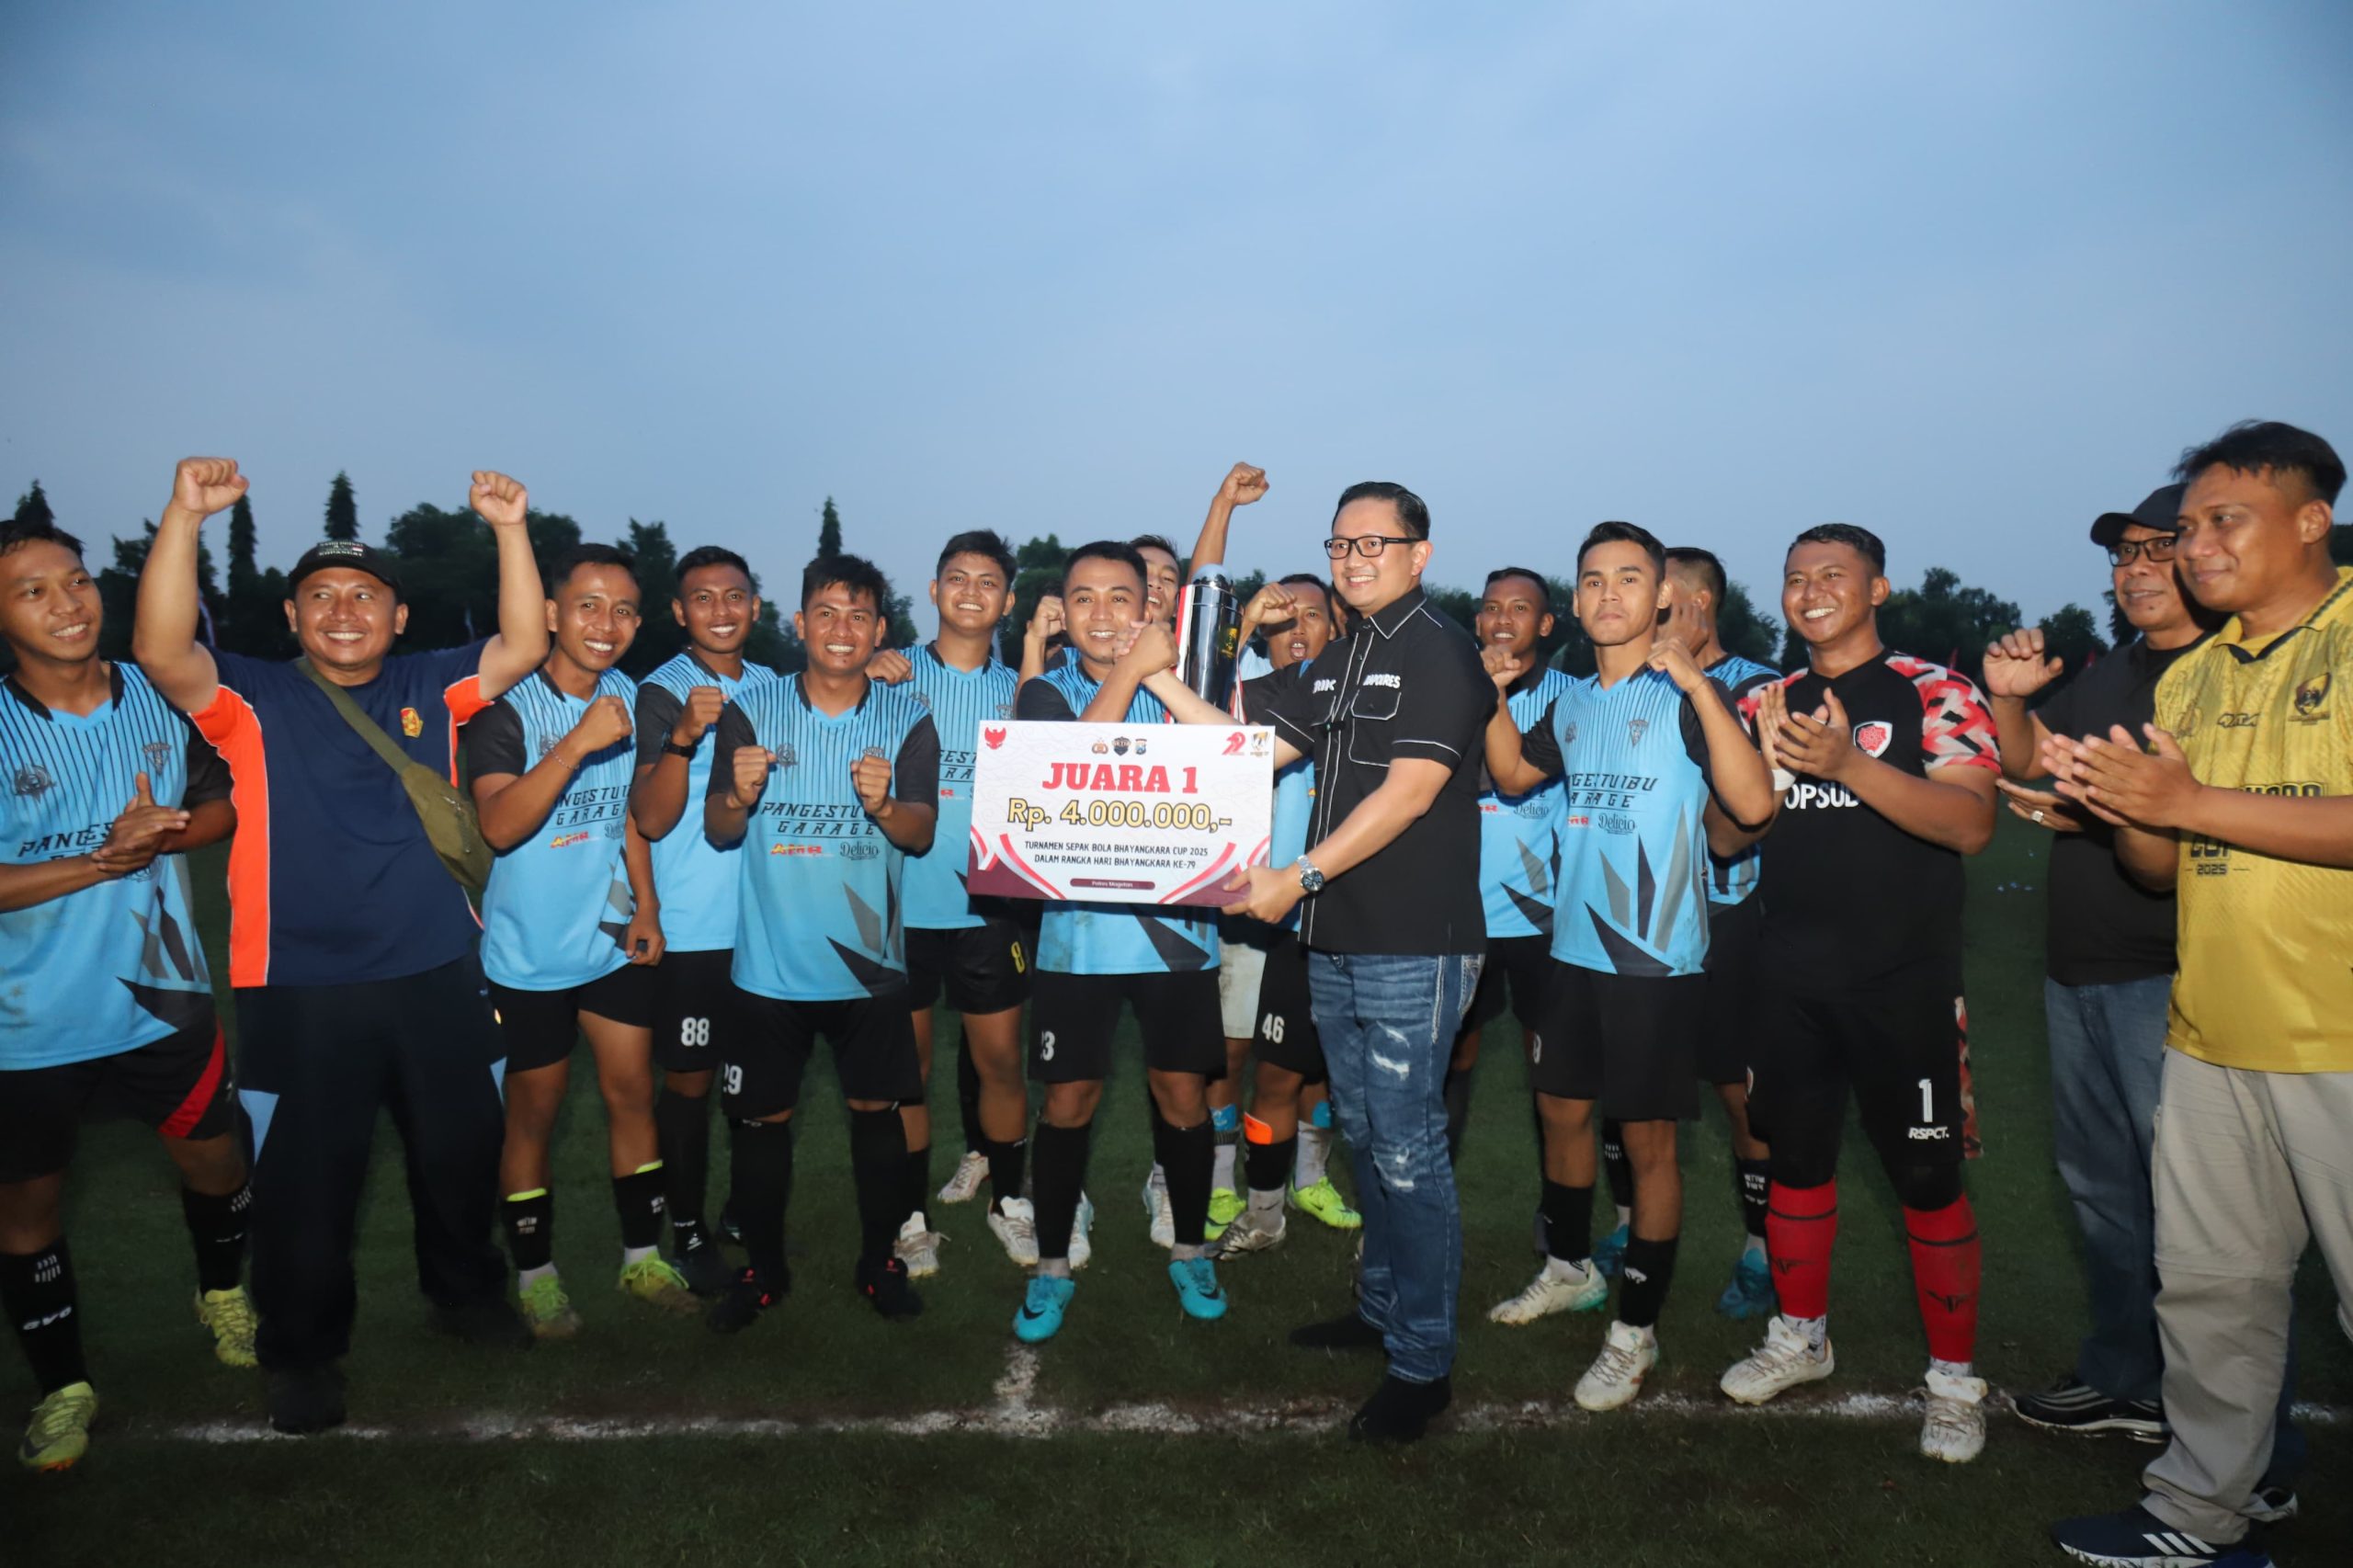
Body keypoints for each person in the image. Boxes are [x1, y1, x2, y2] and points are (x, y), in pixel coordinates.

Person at [133, 459, 549, 1435]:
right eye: (321, 595)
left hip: (437, 968)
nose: (343, 610)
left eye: (365, 594)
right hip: (297, 982)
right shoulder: (248, 696)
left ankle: (466, 1294)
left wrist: (509, 529)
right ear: (292, 616)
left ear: (398, 616)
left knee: (460, 1154)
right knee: (305, 1184)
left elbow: (526, 641)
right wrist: (185, 515)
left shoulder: (430, 681)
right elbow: (160, 648)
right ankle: (303, 1350)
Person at [2048, 421, 2351, 1568]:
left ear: (2311, 519)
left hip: (2339, 1037)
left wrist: (2184, 804)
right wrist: (2125, 805)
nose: (2195, 546)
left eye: (2225, 520)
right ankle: (2203, 1506)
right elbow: (2160, 868)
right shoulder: (2197, 672)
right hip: (2211, 1030)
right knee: (2213, 1291)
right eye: (2187, 528)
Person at [1143, 482, 1493, 1444]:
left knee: (1408, 1151)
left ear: (1419, 554)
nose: (1352, 559)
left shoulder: (1439, 649)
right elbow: (1247, 750)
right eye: (1341, 544)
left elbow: (1411, 792)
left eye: (1373, 543)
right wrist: (1159, 679)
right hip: (1336, 937)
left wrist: (1296, 877)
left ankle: (1423, 1364)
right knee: (1370, 1137)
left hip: (1414, 942)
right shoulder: (1343, 654)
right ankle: (1379, 1308)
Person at [1713, 522, 2000, 1465]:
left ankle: (1953, 1382)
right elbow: (1725, 837)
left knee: (1927, 1178)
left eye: (1833, 574)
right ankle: (1801, 1336)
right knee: (1794, 1165)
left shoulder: (1933, 689)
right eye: (1795, 577)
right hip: (1787, 980)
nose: (1810, 590)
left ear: (1878, 589)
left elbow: (1970, 824)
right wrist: (1753, 775)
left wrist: (1847, 765)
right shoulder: (1763, 699)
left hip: (1904, 984)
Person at [1475, 523, 1773, 1411]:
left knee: (1648, 1145)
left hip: (1653, 960)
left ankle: (1634, 1333)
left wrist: (1701, 687)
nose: (1610, 595)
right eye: (1595, 580)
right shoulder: (1572, 702)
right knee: (1561, 1112)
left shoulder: (1687, 694)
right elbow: (1513, 776)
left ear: (1663, 598)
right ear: (1576, 601)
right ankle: (1570, 1269)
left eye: (1630, 579)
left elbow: (1753, 804)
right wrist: (1493, 695)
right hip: (1569, 949)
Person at [2, 510, 247, 1471]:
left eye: (76, 580)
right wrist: (103, 861)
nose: (67, 604)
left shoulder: (155, 694)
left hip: (165, 1000)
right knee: (26, 1212)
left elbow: (221, 804)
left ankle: (222, 1293)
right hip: (26, 1023)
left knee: (219, 1167)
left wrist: (167, 829)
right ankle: (63, 1384)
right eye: (33, 591)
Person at [700, 554, 938, 1331]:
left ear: (880, 630)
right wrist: (739, 795)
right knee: (761, 1123)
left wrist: (884, 807)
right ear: (800, 623)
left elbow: (920, 833)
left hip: (871, 970)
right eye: (827, 614)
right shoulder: (753, 709)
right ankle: (763, 1272)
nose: (843, 630)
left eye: (859, 616)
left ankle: (879, 1262)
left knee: (877, 1111)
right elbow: (718, 826)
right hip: (769, 969)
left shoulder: (907, 717)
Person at [466, 544, 694, 1335]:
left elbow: (629, 814)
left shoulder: (626, 697)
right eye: (589, 605)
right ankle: (536, 1275)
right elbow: (499, 826)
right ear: (552, 614)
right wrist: (577, 742)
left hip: (608, 941)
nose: (607, 624)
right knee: (535, 1110)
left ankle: (642, 1259)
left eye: (624, 609)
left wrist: (648, 906)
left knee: (632, 1092)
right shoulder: (504, 710)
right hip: (529, 955)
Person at [1007, 541, 1230, 1344]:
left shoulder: (1188, 686)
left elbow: (1234, 765)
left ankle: (1191, 1250)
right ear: (1062, 614)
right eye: (1083, 598)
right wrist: (1132, 670)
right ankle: (1052, 1263)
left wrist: (1152, 673)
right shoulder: (1043, 691)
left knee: (1183, 1097)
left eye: (1119, 598)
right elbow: (1066, 773)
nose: (1101, 614)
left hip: (1179, 937)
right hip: (1079, 940)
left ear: (1148, 607)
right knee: (1068, 1101)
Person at [1591, 547, 1784, 1318]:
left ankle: (1762, 1247)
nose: (1649, 616)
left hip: (1725, 915)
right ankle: (1629, 1222)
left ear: (1698, 603)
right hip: (1632, 924)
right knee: (1626, 1090)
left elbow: (1755, 807)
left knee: (1740, 1092)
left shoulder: (1758, 688)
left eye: (1662, 603)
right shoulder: (1625, 680)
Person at [628, 546, 781, 1296]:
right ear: (679, 612)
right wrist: (685, 735)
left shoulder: (775, 687)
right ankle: (686, 1231)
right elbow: (648, 819)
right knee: (688, 1082)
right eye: (703, 597)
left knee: (757, 1085)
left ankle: (742, 1213)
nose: (721, 610)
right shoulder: (661, 691)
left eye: (735, 596)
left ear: (756, 605)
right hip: (693, 925)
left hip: (764, 924)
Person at [877, 531, 1032, 1271]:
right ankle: (909, 1217)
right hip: (901, 906)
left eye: (989, 581)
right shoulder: (889, 675)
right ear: (935, 591)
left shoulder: (1025, 690)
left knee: (1000, 1063)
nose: (972, 591)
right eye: (958, 578)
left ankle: (1011, 1202)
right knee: (906, 1070)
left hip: (990, 909)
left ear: (1008, 600)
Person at [1212, 574, 1360, 1255]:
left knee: (1317, 1064)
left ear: (1337, 625)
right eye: (1283, 621)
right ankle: (1224, 1183)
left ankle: (1309, 1178)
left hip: (1329, 912)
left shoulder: (1357, 697)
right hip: (1251, 907)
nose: (1299, 630)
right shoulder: (1245, 697)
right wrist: (1241, 626)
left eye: (1313, 616)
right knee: (1233, 1052)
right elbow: (1193, 714)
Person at [1448, 568, 1572, 1179]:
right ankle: (1430, 1198)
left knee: (1553, 1074)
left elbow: (1512, 775)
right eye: (1492, 607)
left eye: (1519, 609)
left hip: (1544, 919)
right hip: (1456, 911)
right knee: (1451, 1059)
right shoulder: (1447, 687)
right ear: (1477, 621)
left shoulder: (1575, 696)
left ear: (1545, 625)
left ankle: (1560, 1210)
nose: (1502, 619)